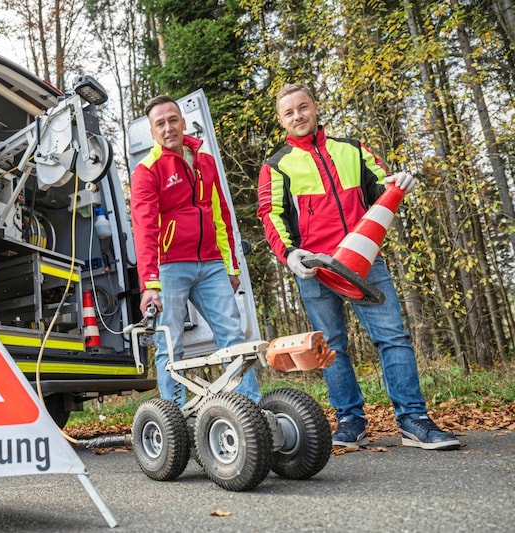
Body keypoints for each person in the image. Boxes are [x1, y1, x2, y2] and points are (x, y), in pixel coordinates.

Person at [257, 83, 460, 450]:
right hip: (315, 268)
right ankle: (350, 421)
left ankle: (413, 420)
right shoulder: (276, 165)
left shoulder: (352, 150)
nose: (298, 116)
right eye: (289, 112)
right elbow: (270, 215)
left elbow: (385, 185)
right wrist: (289, 255)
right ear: (280, 120)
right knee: (330, 345)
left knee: (393, 338)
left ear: (316, 108)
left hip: (364, 261)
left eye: (303, 108)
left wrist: (400, 182)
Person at [130, 94, 261, 407]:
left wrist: (231, 267)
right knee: (169, 346)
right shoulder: (146, 171)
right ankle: (174, 418)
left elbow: (220, 214)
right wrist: (149, 284)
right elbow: (144, 230)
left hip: (211, 265)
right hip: (170, 268)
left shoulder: (204, 161)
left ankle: (249, 409)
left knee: (233, 337)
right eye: (159, 124)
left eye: (172, 120)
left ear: (183, 122)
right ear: (152, 132)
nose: (168, 128)